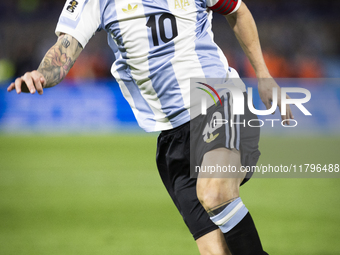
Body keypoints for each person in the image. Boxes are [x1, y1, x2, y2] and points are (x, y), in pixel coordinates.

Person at [8, 0, 293, 254]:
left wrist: (264, 75)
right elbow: (63, 50)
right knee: (213, 250)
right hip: (171, 135)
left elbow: (238, 10)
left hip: (219, 100)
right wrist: (40, 75)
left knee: (214, 192)